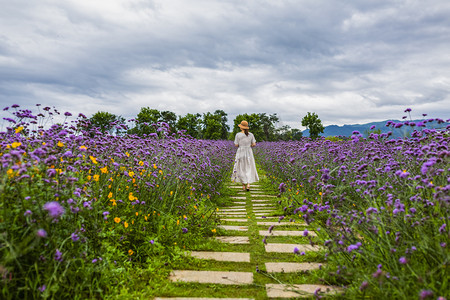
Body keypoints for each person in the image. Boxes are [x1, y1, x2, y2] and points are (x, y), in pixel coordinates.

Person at [231, 120, 259, 191]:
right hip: (249, 152)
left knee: (241, 168)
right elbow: (254, 144)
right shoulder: (251, 135)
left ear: (241, 127)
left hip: (241, 152)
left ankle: (243, 185)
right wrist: (249, 144)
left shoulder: (238, 135)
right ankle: (248, 184)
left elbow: (236, 144)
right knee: (249, 168)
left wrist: (241, 144)